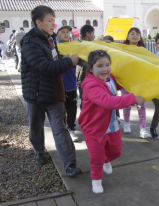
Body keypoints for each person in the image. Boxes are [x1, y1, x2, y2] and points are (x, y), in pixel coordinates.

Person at [20, 5, 82, 177]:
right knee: (36, 126)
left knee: (60, 128)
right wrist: (70, 62)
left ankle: (70, 164)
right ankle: (39, 150)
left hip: (55, 93)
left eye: (54, 21)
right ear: (38, 22)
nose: (53, 24)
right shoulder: (30, 41)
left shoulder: (52, 39)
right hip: (36, 94)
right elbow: (43, 66)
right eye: (49, 21)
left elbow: (55, 58)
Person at [78, 50, 145, 194]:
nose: (104, 69)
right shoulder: (91, 85)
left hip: (112, 126)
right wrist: (132, 98)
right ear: (90, 68)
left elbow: (118, 85)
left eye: (107, 65)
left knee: (116, 152)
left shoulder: (110, 78)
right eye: (100, 66)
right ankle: (96, 180)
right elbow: (107, 101)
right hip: (94, 129)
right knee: (96, 158)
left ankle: (105, 160)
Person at [122, 27, 151, 138]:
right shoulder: (122, 48)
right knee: (126, 104)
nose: (135, 35)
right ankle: (126, 123)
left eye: (137, 34)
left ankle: (143, 129)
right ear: (127, 37)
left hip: (139, 82)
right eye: (132, 34)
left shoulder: (143, 50)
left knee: (141, 105)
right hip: (126, 81)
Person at [56, 24, 78, 142]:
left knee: (71, 109)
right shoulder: (54, 48)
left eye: (67, 32)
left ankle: (70, 128)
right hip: (59, 85)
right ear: (57, 34)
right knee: (60, 110)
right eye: (62, 31)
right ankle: (62, 130)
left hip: (71, 85)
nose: (65, 34)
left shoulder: (73, 47)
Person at [76, 25, 95, 109]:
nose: (94, 35)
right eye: (93, 33)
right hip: (84, 77)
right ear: (87, 34)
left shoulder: (92, 45)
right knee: (85, 100)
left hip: (85, 78)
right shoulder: (80, 45)